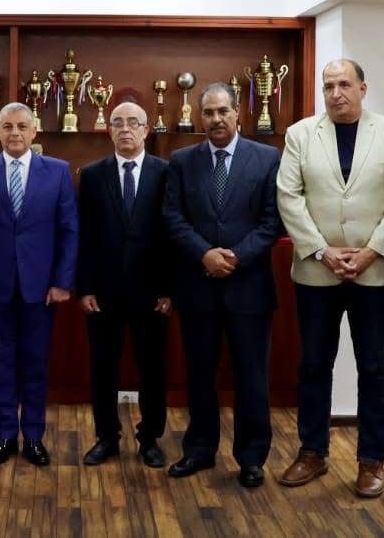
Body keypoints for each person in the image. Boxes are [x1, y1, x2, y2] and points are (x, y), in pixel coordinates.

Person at [276, 59, 384, 497]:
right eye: (328, 86)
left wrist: (372, 251)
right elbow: (289, 195)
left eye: (344, 85)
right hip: (317, 271)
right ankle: (312, 452)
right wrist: (322, 250)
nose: (335, 93)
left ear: (363, 88)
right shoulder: (300, 134)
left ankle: (371, 461)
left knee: (375, 368)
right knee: (314, 365)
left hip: (377, 272)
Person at [163, 83, 281, 488]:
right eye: (209, 113)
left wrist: (234, 257)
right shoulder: (181, 161)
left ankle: (251, 457)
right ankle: (199, 449)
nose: (216, 119)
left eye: (222, 111)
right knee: (200, 374)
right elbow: (173, 217)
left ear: (237, 114)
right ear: (200, 117)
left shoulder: (267, 158)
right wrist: (205, 255)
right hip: (198, 288)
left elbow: (272, 222)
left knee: (252, 376)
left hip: (249, 288)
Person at [0, 102, 78, 467]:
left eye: (22, 127)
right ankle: (6, 436)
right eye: (8, 127)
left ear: (34, 131)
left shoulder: (57, 171)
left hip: (41, 290)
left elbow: (70, 231)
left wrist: (62, 281)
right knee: (2, 365)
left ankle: (35, 438)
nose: (14, 133)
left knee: (36, 365)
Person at [77, 101, 172, 468]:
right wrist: (85, 287)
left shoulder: (166, 173)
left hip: (152, 292)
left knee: (153, 370)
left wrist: (169, 290)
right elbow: (85, 235)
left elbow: (173, 234)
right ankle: (106, 438)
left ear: (146, 129)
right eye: (118, 123)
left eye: (134, 122)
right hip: (104, 292)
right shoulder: (92, 174)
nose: (125, 129)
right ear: (109, 130)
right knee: (103, 369)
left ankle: (150, 439)